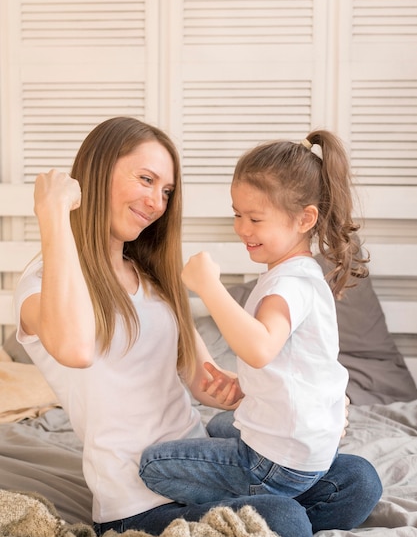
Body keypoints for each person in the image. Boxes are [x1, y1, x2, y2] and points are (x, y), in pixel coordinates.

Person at [14, 118, 381, 537]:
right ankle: (270, 521)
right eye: (146, 180)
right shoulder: (44, 284)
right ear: (97, 172)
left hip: (196, 463)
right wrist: (52, 213)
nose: (156, 202)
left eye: (166, 191)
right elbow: (74, 348)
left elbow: (206, 383)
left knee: (358, 480)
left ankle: (259, 517)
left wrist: (298, 408)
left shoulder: (152, 279)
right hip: (137, 502)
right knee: (286, 523)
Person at [139, 129, 382, 513]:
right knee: (220, 426)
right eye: (237, 214)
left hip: (277, 461)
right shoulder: (302, 273)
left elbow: (259, 347)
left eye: (255, 218)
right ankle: (291, 501)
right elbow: (289, 364)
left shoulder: (288, 283)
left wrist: (208, 287)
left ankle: (264, 507)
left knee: (153, 465)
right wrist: (249, 386)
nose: (241, 229)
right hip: (311, 453)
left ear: (305, 219)